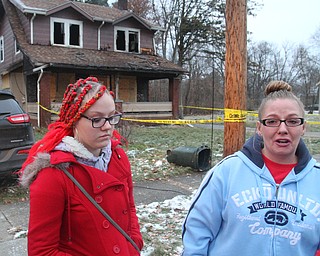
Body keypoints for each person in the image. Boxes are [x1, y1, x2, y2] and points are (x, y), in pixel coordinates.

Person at [182, 80, 320, 256]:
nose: (283, 129)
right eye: (272, 121)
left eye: (293, 121)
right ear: (259, 128)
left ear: (303, 127)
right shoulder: (227, 172)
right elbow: (197, 233)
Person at [20, 76, 143, 255]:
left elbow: (129, 208)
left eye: (111, 117)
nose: (108, 127)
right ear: (74, 120)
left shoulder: (118, 157)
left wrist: (134, 243)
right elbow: (42, 251)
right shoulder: (53, 174)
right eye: (97, 119)